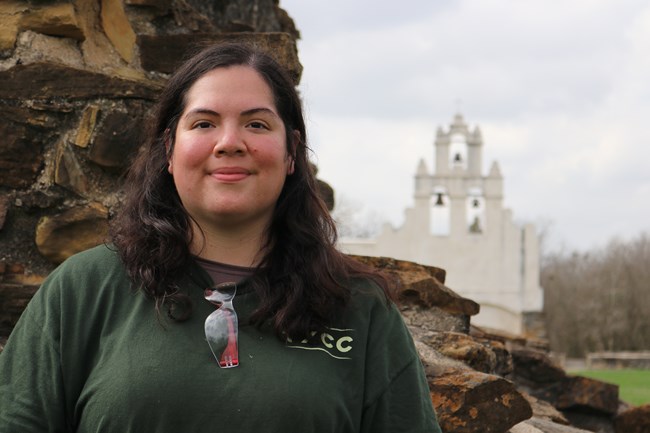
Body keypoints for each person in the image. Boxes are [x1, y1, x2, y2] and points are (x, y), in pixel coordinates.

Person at [0, 43, 441, 433]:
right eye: (204, 123)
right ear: (169, 151)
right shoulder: (84, 289)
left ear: (291, 153)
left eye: (257, 125)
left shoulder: (360, 309)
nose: (230, 142)